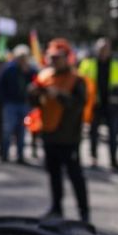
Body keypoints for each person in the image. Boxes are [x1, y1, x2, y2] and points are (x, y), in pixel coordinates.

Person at [29, 38, 90, 222]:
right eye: (52, 57)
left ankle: (83, 212)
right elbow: (35, 104)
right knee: (53, 174)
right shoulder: (44, 76)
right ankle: (56, 208)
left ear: (67, 58)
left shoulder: (77, 79)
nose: (54, 61)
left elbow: (79, 104)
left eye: (58, 57)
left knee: (75, 176)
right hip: (49, 134)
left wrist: (60, 95)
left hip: (69, 137)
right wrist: (33, 93)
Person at [78, 38, 118, 170]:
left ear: (110, 49)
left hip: (112, 105)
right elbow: (80, 81)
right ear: (96, 49)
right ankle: (93, 158)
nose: (103, 51)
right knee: (93, 133)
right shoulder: (88, 62)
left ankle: (113, 160)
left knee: (113, 134)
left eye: (105, 49)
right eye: (100, 49)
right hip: (94, 104)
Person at [0, 45, 35, 163]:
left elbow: (36, 82)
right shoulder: (9, 69)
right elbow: (0, 85)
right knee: (7, 130)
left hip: (23, 104)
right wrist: (5, 99)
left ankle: (20, 156)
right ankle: (4, 154)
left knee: (22, 131)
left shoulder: (29, 70)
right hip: (10, 104)